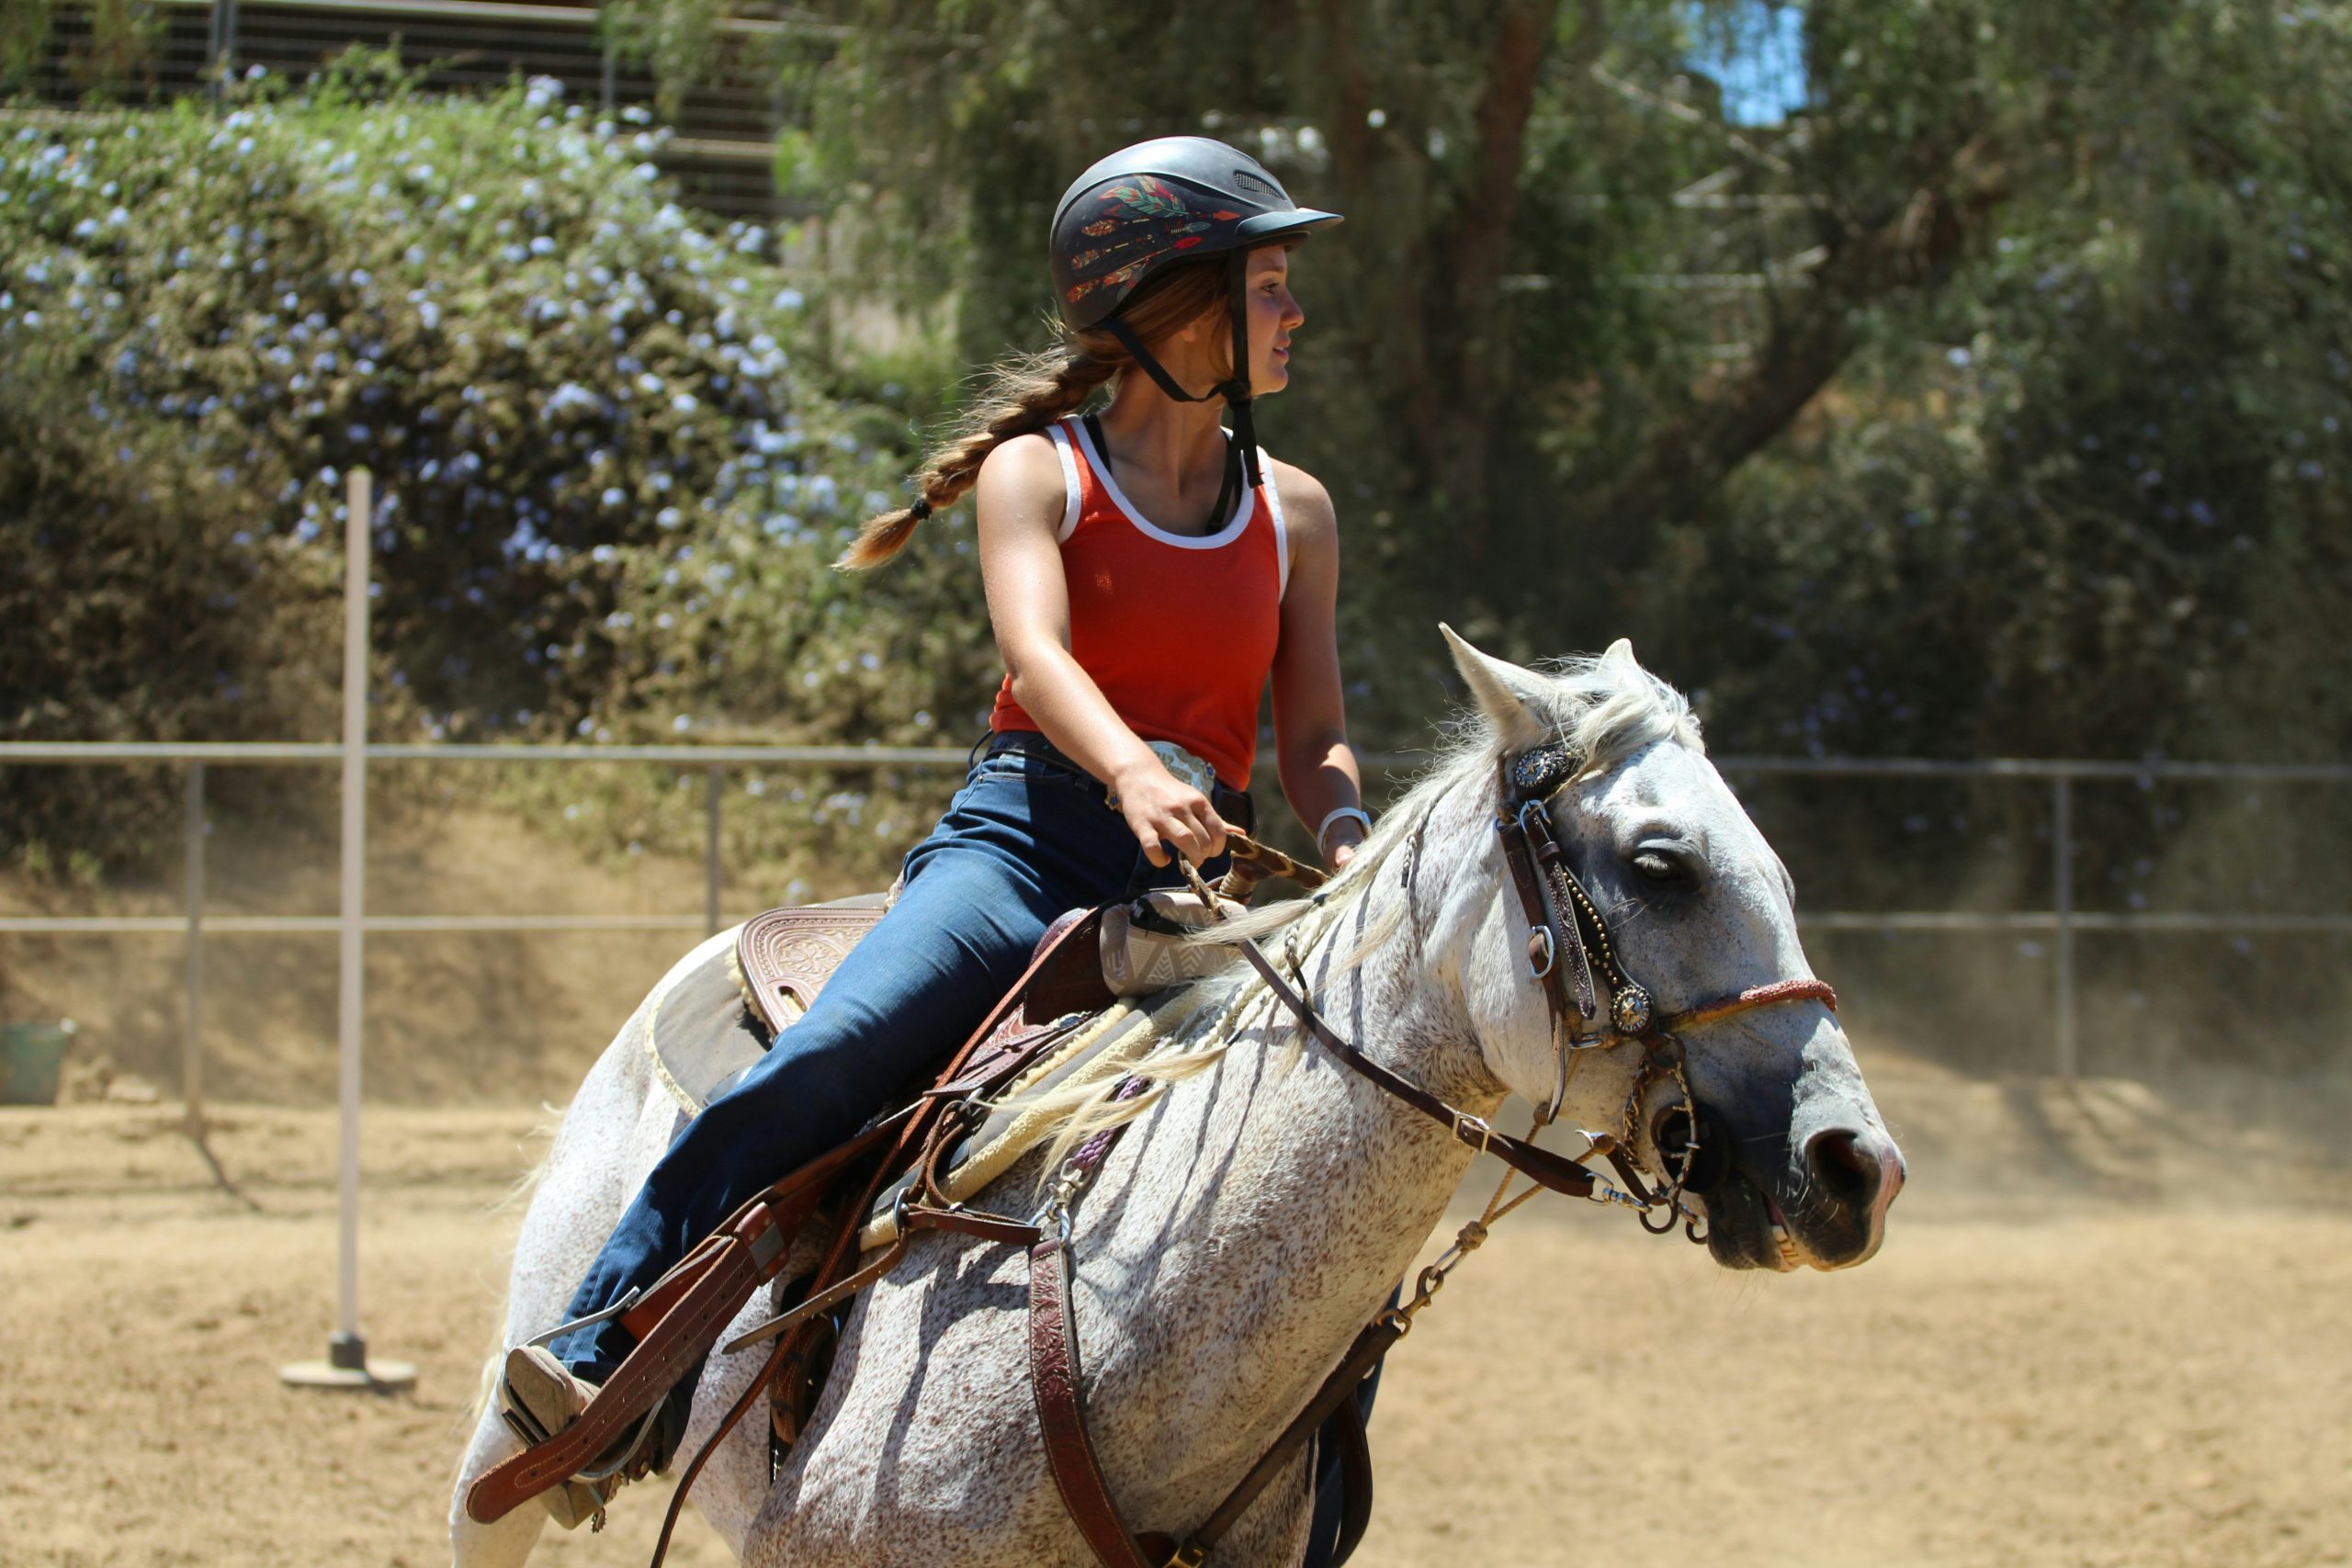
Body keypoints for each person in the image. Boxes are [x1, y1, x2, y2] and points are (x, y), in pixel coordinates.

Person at [503, 135, 1374, 1540]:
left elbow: (1314, 728)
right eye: (1268, 285)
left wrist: (1343, 829)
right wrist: (1133, 776)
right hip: (1022, 849)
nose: (1294, 315)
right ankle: (606, 1349)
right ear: (1176, 307)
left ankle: (1306, 1497)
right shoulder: (1040, 474)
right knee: (842, 1054)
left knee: (1339, 1150)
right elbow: (1034, 655)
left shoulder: (1299, 512)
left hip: (1198, 889)